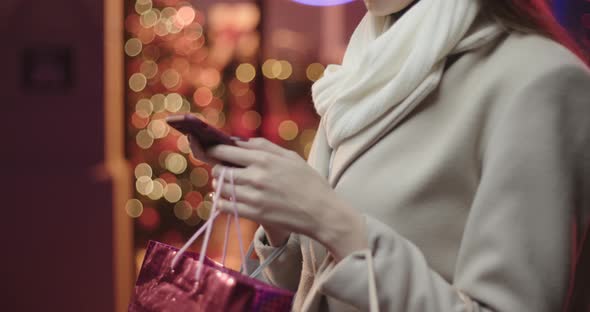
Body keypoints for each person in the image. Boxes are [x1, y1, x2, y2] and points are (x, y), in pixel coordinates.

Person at [189, 0, 590, 311]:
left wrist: (333, 221)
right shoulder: (367, 68)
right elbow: (314, 289)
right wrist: (280, 221)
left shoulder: (539, 81)